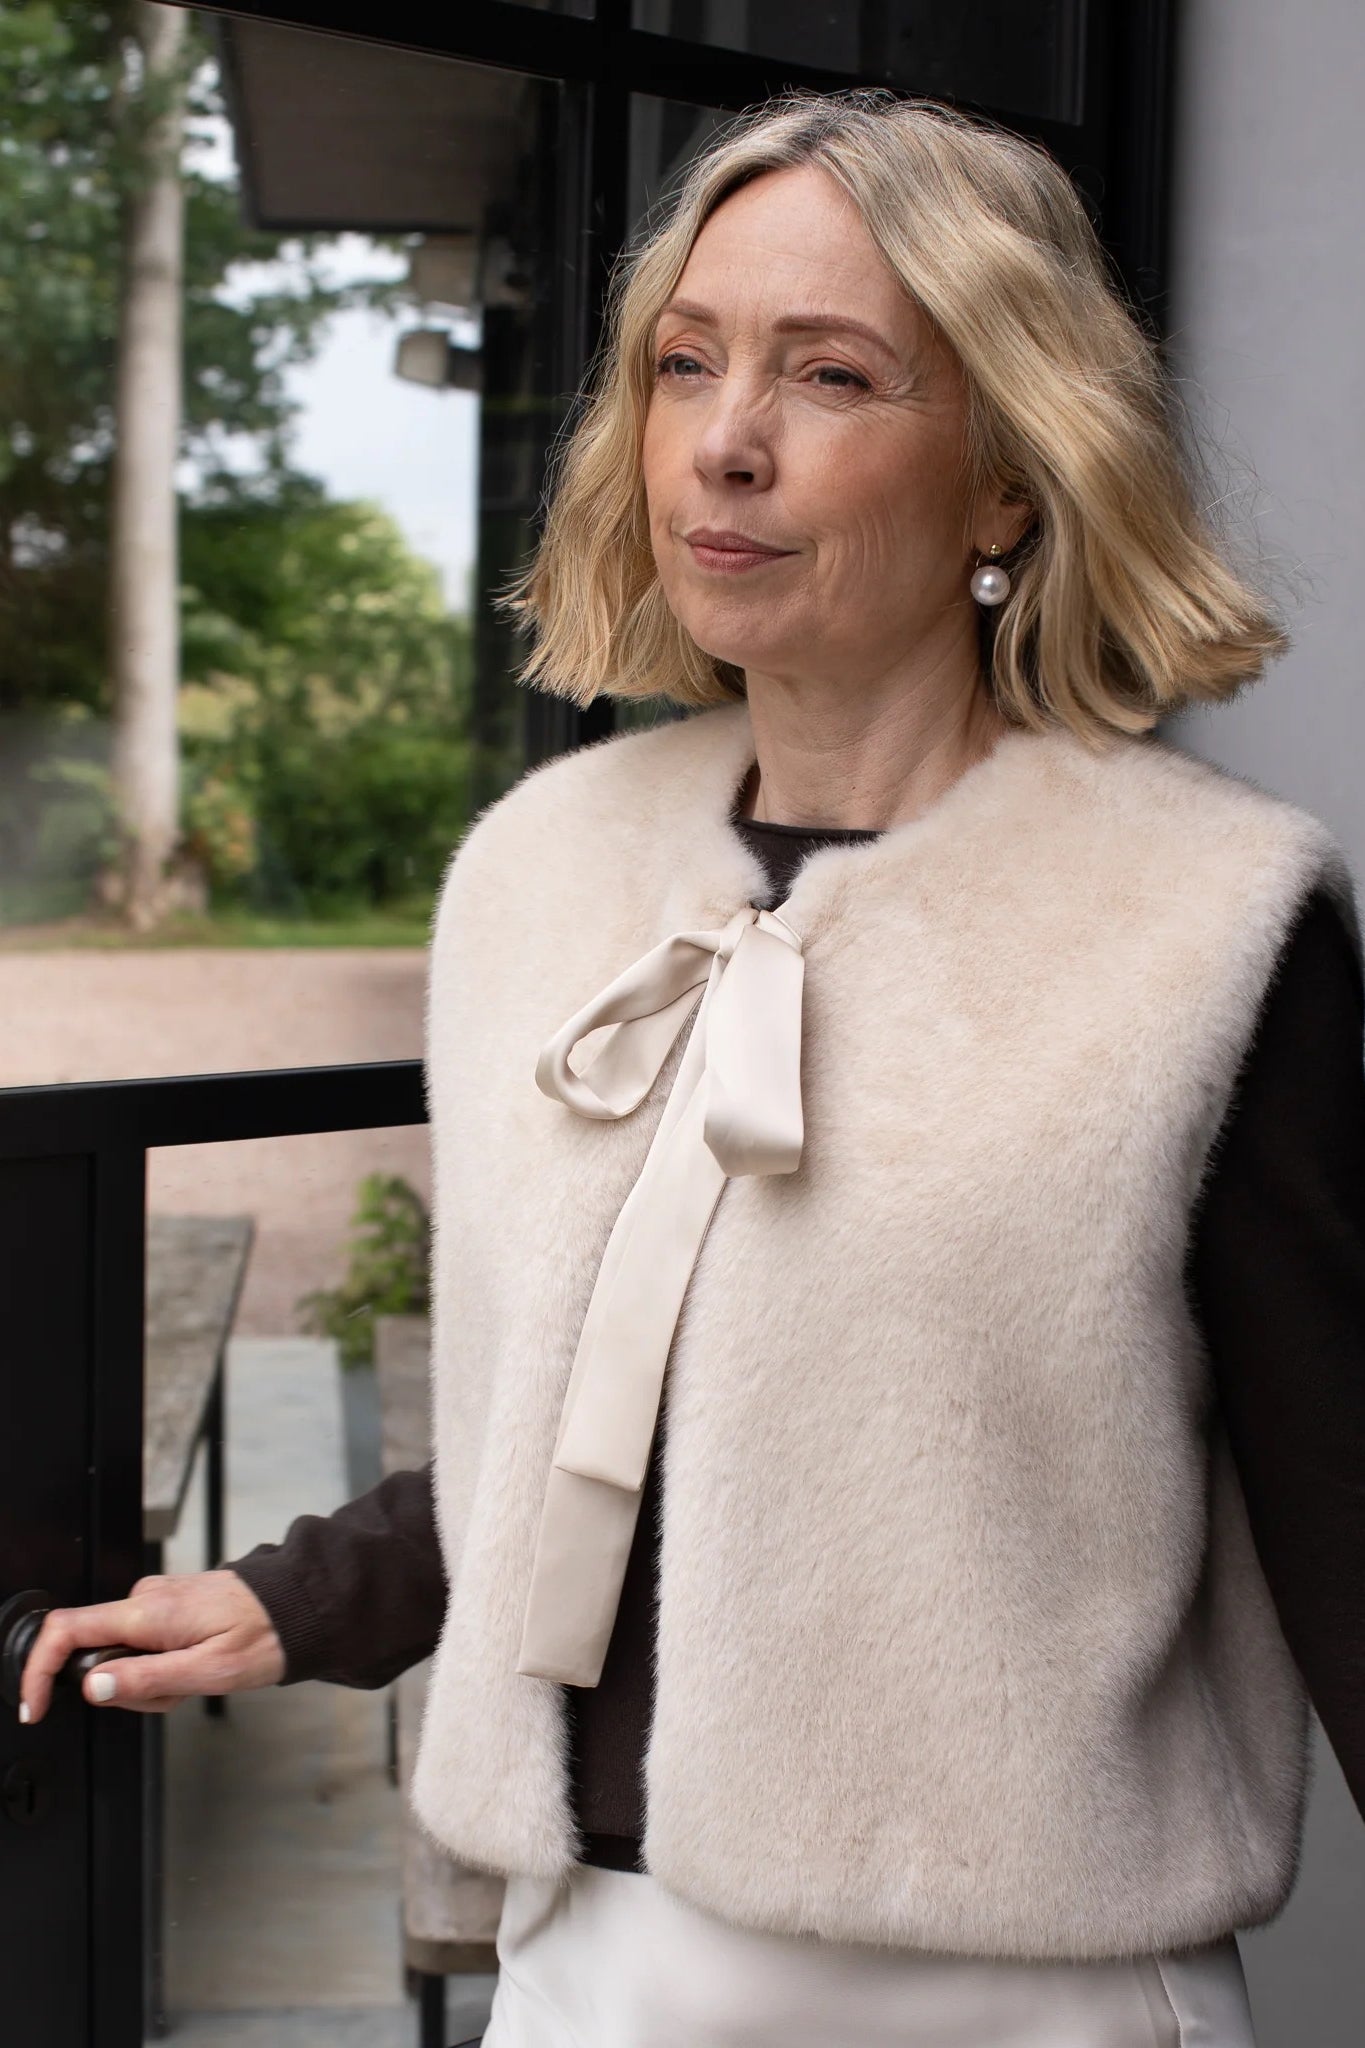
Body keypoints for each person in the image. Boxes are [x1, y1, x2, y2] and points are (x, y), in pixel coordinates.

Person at [18, 89, 1365, 2047]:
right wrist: (302, 1597)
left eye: (830, 373)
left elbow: (1340, 1513)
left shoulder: (1205, 925)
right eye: (683, 362)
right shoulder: (538, 871)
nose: (725, 438)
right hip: (586, 1966)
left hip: (1018, 1993)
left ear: (1007, 479)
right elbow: (601, 1403)